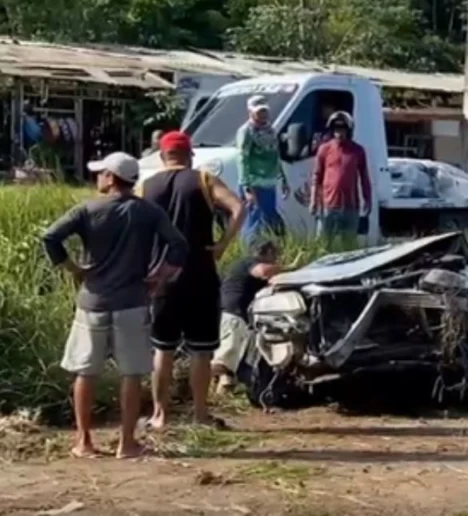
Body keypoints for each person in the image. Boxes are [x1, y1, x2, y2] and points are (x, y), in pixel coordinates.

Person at [42, 152, 187, 458]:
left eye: (101, 173)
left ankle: (84, 441)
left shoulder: (87, 209)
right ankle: (127, 443)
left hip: (92, 302)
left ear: (110, 178)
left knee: (86, 372)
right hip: (133, 302)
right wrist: (160, 276)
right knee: (131, 374)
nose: (98, 177)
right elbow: (178, 245)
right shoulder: (148, 212)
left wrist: (74, 268)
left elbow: (51, 237)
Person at [137, 131, 246, 430]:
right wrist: (222, 244)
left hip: (161, 278)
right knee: (201, 350)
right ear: (190, 155)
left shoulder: (145, 186)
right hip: (199, 274)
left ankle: (160, 415)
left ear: (162, 156)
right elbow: (238, 207)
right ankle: (199, 415)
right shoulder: (204, 180)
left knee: (163, 348)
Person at [212, 239, 300, 393]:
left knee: (232, 364)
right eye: (275, 255)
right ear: (267, 253)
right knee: (222, 361)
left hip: (232, 317)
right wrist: (290, 268)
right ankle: (191, 381)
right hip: (233, 316)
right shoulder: (249, 263)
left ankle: (222, 390)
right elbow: (264, 271)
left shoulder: (242, 270)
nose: (276, 260)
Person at [310, 111, 372, 245]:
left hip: (350, 205)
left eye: (342, 129)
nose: (339, 132)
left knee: (348, 244)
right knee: (323, 243)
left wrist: (368, 199)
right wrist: (313, 201)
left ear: (349, 130)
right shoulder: (324, 149)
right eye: (336, 129)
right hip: (328, 205)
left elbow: (364, 177)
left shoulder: (358, 150)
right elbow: (317, 176)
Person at [236, 95, 290, 247]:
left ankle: (268, 253)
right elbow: (242, 159)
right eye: (259, 111)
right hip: (253, 183)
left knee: (269, 221)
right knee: (253, 222)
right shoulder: (246, 131)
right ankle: (249, 253)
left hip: (269, 183)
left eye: (265, 111)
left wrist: (283, 178)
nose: (263, 114)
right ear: (250, 112)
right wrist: (246, 187)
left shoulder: (271, 130)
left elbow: (276, 155)